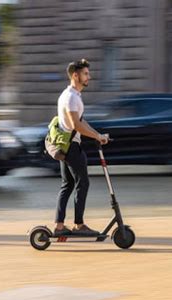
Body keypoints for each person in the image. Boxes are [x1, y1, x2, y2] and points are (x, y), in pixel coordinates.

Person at [54, 59, 109, 236]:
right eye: (85, 74)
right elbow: (75, 124)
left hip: (67, 145)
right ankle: (78, 225)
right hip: (71, 147)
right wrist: (96, 136)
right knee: (82, 183)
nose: (89, 77)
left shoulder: (73, 95)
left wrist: (97, 135)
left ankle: (59, 226)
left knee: (68, 184)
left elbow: (82, 121)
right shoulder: (70, 97)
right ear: (75, 75)